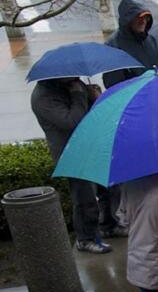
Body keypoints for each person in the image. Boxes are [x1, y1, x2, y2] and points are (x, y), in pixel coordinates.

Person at [30, 78, 117, 253]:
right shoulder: (43, 98)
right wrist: (78, 94)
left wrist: (94, 95)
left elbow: (93, 111)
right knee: (85, 198)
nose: (75, 76)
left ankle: (109, 225)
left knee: (109, 187)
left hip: (90, 145)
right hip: (72, 153)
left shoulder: (70, 83)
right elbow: (73, 122)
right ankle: (85, 238)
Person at [102, 0, 158, 88]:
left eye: (146, 17)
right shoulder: (114, 46)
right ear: (128, 21)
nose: (143, 21)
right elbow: (113, 84)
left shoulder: (150, 40)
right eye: (139, 18)